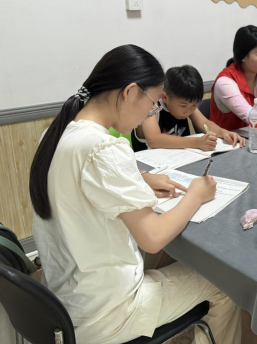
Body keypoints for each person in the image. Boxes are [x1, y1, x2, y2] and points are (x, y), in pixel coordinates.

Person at [30, 45, 241, 344]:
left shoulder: (57, 133)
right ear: (130, 92)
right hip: (107, 312)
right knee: (226, 282)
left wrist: (140, 177)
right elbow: (152, 237)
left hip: (67, 295)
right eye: (152, 104)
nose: (149, 114)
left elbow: (82, 181)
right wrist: (196, 194)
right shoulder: (105, 148)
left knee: (173, 253)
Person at [131, 65, 244, 152]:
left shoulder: (188, 106)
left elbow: (204, 123)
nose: (189, 111)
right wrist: (197, 142)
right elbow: (154, 140)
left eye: (194, 105)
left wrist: (224, 133)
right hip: (148, 166)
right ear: (164, 97)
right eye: (183, 106)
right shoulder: (152, 106)